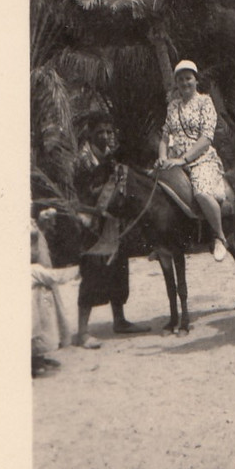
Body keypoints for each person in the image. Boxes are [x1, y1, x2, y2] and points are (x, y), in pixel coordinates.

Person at [73, 112, 151, 349]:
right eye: (100, 132)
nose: (106, 136)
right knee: (91, 275)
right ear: (90, 133)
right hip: (91, 221)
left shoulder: (111, 157)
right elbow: (82, 193)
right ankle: (83, 331)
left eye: (109, 131)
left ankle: (120, 320)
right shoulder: (83, 160)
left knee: (119, 269)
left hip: (112, 222)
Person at [155, 60, 228, 262]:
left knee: (202, 193)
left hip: (200, 159)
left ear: (196, 80)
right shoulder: (173, 106)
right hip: (173, 159)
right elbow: (165, 137)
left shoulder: (205, 102)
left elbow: (206, 139)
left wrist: (183, 160)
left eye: (188, 78)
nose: (184, 83)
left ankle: (219, 237)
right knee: (153, 189)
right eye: (180, 79)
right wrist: (162, 157)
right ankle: (161, 241)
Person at [31, 217, 78, 376]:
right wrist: (77, 271)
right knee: (35, 326)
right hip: (34, 283)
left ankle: (38, 358)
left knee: (44, 320)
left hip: (40, 275)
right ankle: (33, 362)